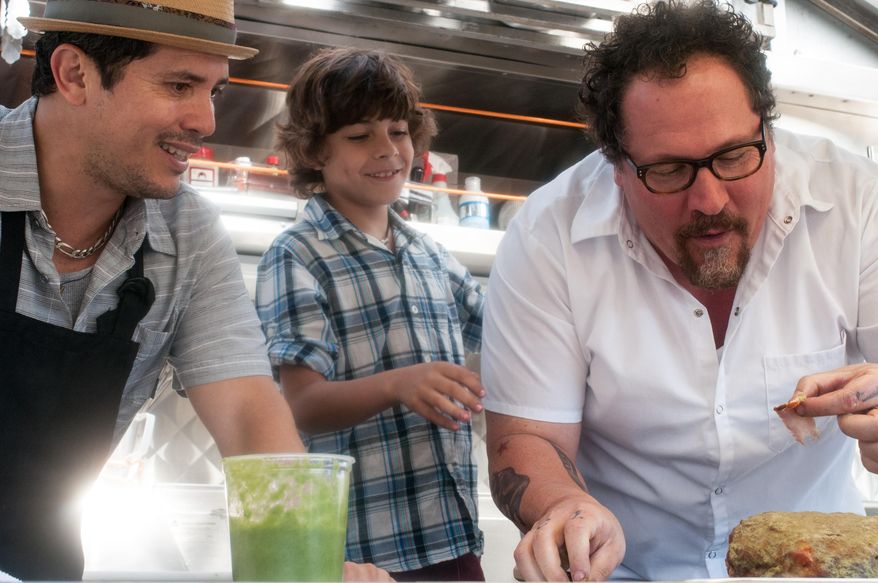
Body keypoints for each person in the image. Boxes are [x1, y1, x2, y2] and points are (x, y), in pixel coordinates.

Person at [480, 0, 878, 580]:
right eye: (669, 171)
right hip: (627, 571)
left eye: (736, 155)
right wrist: (565, 507)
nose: (710, 201)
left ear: (767, 130)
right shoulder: (549, 236)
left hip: (810, 570)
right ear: (616, 166)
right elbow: (527, 435)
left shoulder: (858, 205)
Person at [0, 3, 389, 581]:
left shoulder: (188, 234)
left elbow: (247, 409)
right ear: (75, 74)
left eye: (214, 92)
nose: (205, 121)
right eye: (179, 84)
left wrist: (310, 563)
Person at [255, 47, 487, 581]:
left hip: (453, 537)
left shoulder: (430, 253)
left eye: (399, 131)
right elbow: (303, 406)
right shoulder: (298, 253)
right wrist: (397, 384)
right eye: (359, 136)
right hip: (365, 555)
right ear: (315, 150)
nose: (387, 150)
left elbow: (512, 334)